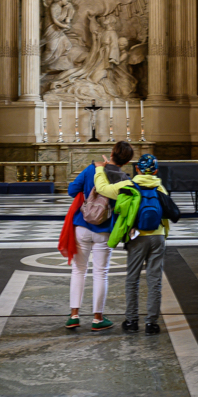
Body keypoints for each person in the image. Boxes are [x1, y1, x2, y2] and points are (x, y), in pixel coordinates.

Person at [93, 153, 171, 335]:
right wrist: (163, 236)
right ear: (156, 171)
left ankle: (132, 321)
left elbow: (102, 188)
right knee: (155, 281)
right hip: (158, 236)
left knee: (132, 279)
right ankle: (151, 324)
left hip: (137, 238)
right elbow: (166, 213)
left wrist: (99, 169)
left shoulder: (128, 185)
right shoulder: (160, 187)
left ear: (137, 169)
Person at [64, 141, 135, 330]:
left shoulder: (91, 169)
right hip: (105, 229)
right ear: (127, 161)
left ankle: (74, 315)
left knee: (78, 270)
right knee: (100, 273)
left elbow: (72, 190)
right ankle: (98, 318)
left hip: (82, 225)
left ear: (111, 153)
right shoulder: (124, 178)